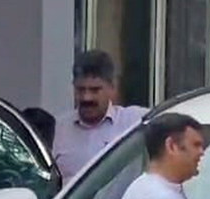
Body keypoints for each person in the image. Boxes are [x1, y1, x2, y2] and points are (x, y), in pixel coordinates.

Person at [52, 50, 147, 182]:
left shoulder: (134, 122)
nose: (86, 98)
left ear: (112, 87)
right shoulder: (58, 129)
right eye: (81, 89)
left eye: (95, 90)